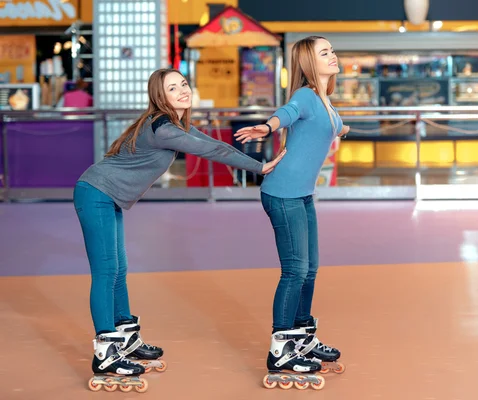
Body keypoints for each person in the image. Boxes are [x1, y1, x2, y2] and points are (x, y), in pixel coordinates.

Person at [75, 68, 286, 390]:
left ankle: (126, 339)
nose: (182, 91)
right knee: (107, 271)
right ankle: (106, 353)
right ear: (161, 97)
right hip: (96, 193)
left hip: (106, 196)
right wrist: (259, 167)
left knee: (118, 269)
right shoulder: (163, 129)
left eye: (184, 84)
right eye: (173, 88)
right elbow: (213, 151)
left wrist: (252, 159)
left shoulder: (171, 124)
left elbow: (210, 141)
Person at [234, 36, 350, 385]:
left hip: (302, 194)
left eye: (332, 50)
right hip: (283, 193)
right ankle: (281, 348)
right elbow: (287, 114)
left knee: (310, 269)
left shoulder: (325, 101)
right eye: (324, 52)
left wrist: (343, 129)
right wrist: (267, 126)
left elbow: (326, 126)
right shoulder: (305, 96)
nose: (333, 55)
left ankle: (301, 336)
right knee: (295, 271)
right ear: (309, 63)